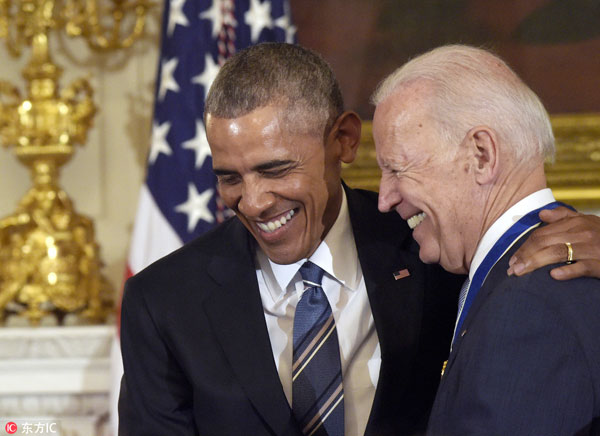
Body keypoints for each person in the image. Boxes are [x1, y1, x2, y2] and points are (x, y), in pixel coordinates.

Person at [119, 42, 600, 436]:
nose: (253, 202)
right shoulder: (163, 302)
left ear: (344, 140)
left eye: (275, 170)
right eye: (228, 178)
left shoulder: (431, 248)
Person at [372, 44, 600, 435]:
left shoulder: (529, 303)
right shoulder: (550, 271)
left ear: (481, 154)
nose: (384, 199)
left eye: (396, 168)